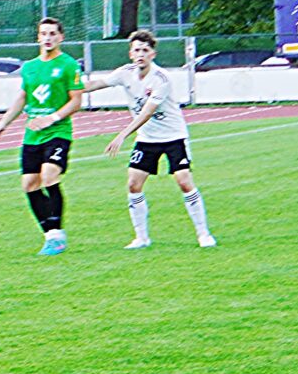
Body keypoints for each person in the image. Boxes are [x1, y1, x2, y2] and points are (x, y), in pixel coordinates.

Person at [86, 30, 215, 250]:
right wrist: (66, 86)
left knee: (184, 181)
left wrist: (122, 135)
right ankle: (141, 238)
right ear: (130, 53)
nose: (140, 54)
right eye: (137, 50)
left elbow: (146, 113)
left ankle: (204, 234)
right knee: (133, 184)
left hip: (173, 136)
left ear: (153, 54)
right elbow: (95, 84)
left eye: (145, 50)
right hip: (147, 139)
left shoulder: (161, 79)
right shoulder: (125, 73)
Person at [0, 17, 84, 256]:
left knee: (49, 175)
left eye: (53, 33)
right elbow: (22, 97)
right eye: (44, 33)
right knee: (29, 184)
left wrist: (51, 118)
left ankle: (58, 234)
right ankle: (50, 235)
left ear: (61, 37)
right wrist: (3, 122)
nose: (48, 38)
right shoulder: (30, 67)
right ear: (38, 37)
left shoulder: (68, 65)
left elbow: (76, 100)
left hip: (57, 132)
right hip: (32, 135)